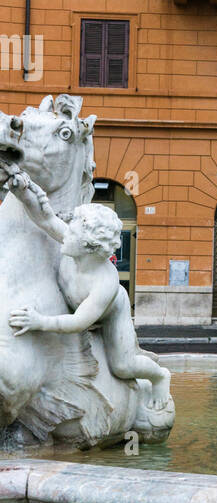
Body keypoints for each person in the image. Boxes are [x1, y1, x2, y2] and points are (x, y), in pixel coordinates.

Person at [4, 168, 172, 407]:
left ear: (89, 246)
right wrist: (24, 192)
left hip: (109, 314)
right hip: (73, 301)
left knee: (123, 366)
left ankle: (159, 376)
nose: (64, 233)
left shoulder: (103, 284)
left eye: (71, 233)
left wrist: (39, 321)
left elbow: (79, 323)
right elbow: (46, 219)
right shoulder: (75, 245)